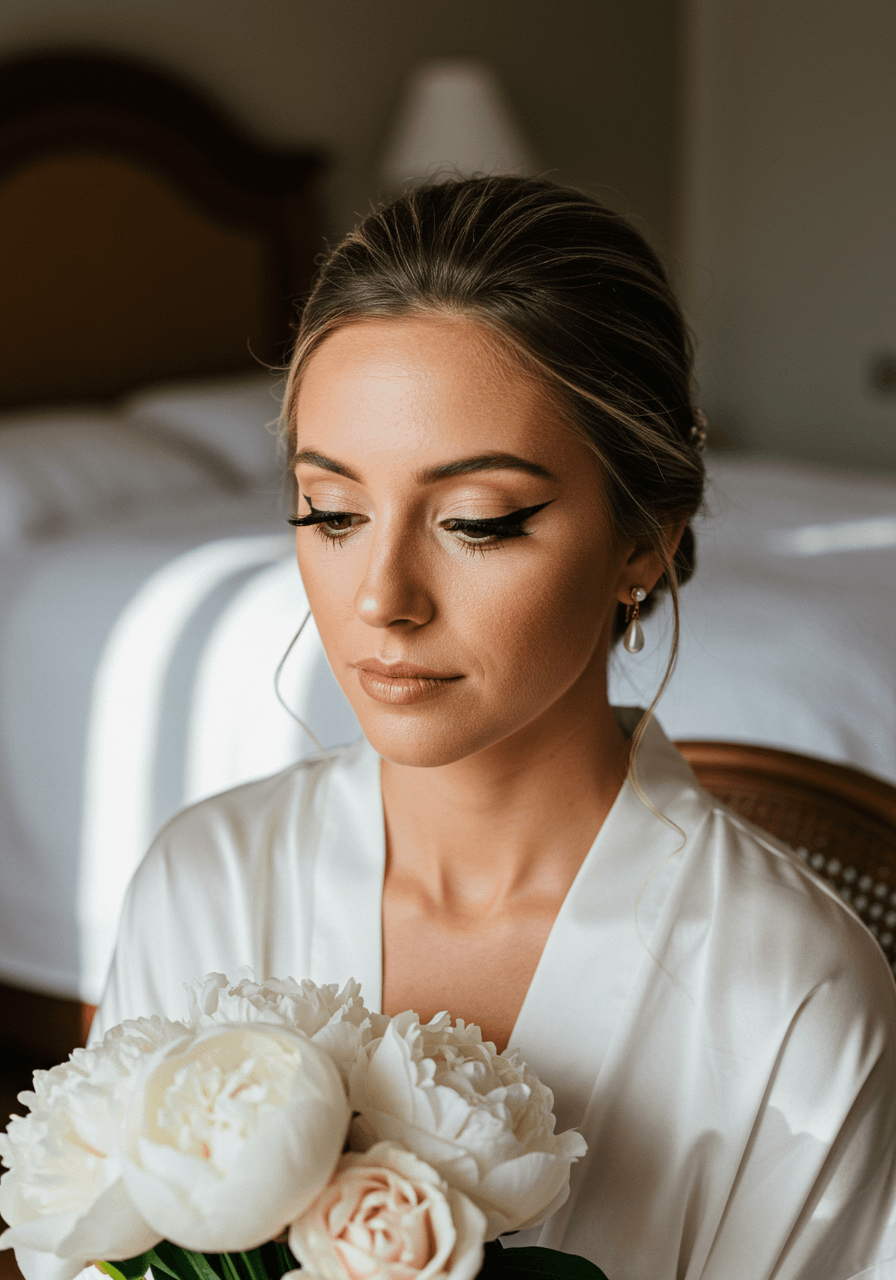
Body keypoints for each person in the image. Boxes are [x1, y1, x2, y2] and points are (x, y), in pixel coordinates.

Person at [93, 178, 896, 1279]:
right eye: (331, 512)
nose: (381, 596)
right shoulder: (208, 879)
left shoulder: (789, 988)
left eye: (475, 521)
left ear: (639, 543)